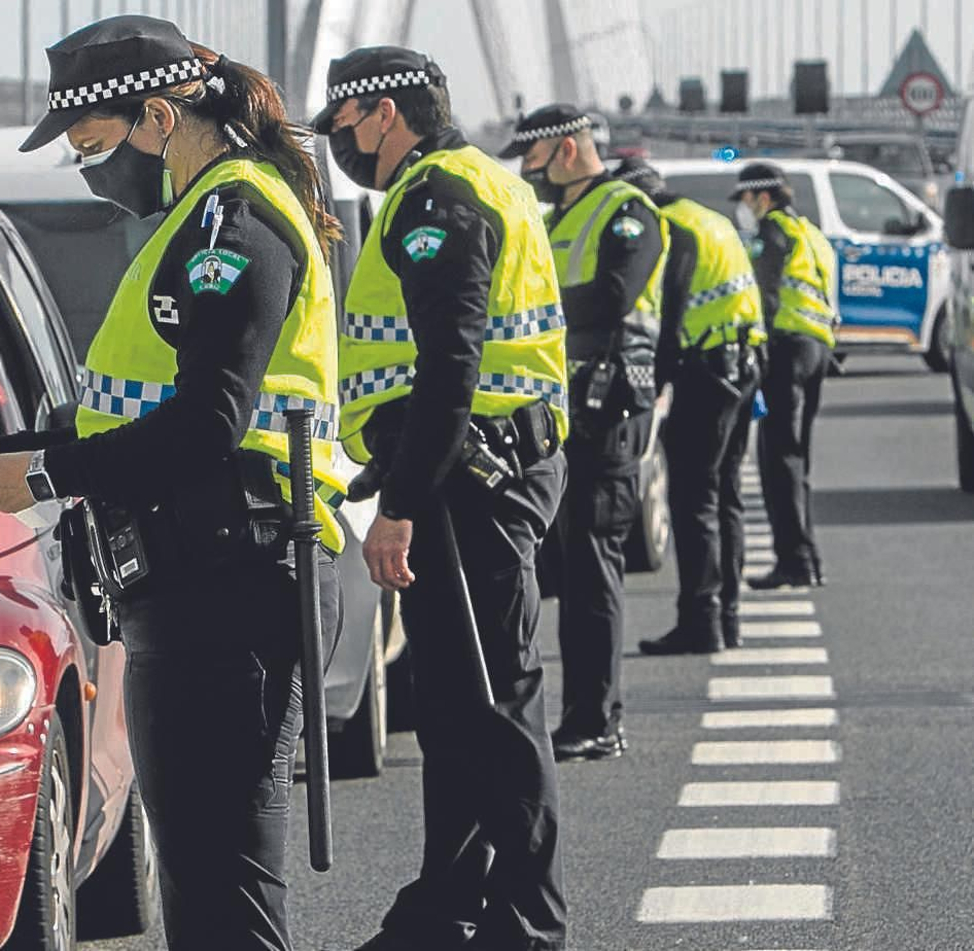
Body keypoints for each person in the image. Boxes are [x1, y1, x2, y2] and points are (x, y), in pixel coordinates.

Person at [0, 15, 346, 950]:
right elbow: (124, 411)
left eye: (94, 147)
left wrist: (38, 473)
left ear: (156, 117)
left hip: (233, 585)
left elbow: (206, 424)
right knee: (198, 872)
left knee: (227, 885)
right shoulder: (198, 219)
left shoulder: (237, 217)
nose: (93, 173)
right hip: (190, 585)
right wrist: (1, 444)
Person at [314, 47, 569, 951]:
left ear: (383, 113)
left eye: (341, 127)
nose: (338, 146)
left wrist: (403, 505)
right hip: (476, 468)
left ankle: (530, 924)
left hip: (470, 482)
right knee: (458, 710)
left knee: (496, 706)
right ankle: (445, 908)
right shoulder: (483, 183)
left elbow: (451, 364)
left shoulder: (434, 199)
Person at [500, 104, 667, 762]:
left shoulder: (627, 209)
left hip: (611, 407)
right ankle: (578, 711)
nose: (525, 169)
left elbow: (614, 295)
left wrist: (530, 304)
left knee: (595, 563)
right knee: (565, 564)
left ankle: (596, 716)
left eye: (532, 156)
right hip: (563, 410)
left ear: (566, 149)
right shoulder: (557, 216)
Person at [616, 159, 767, 654]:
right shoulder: (709, 219)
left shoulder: (670, 228)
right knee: (725, 494)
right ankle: (729, 616)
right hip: (742, 363)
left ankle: (701, 621)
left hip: (706, 372)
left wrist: (654, 383)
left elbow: (673, 306)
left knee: (692, 498)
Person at [733, 162, 837, 590]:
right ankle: (807, 558)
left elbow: (766, 293)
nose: (743, 208)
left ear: (763, 197)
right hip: (817, 350)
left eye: (744, 199)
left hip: (786, 351)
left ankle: (794, 561)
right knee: (798, 460)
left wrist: (755, 346)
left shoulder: (772, 231)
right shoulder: (810, 233)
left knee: (780, 462)